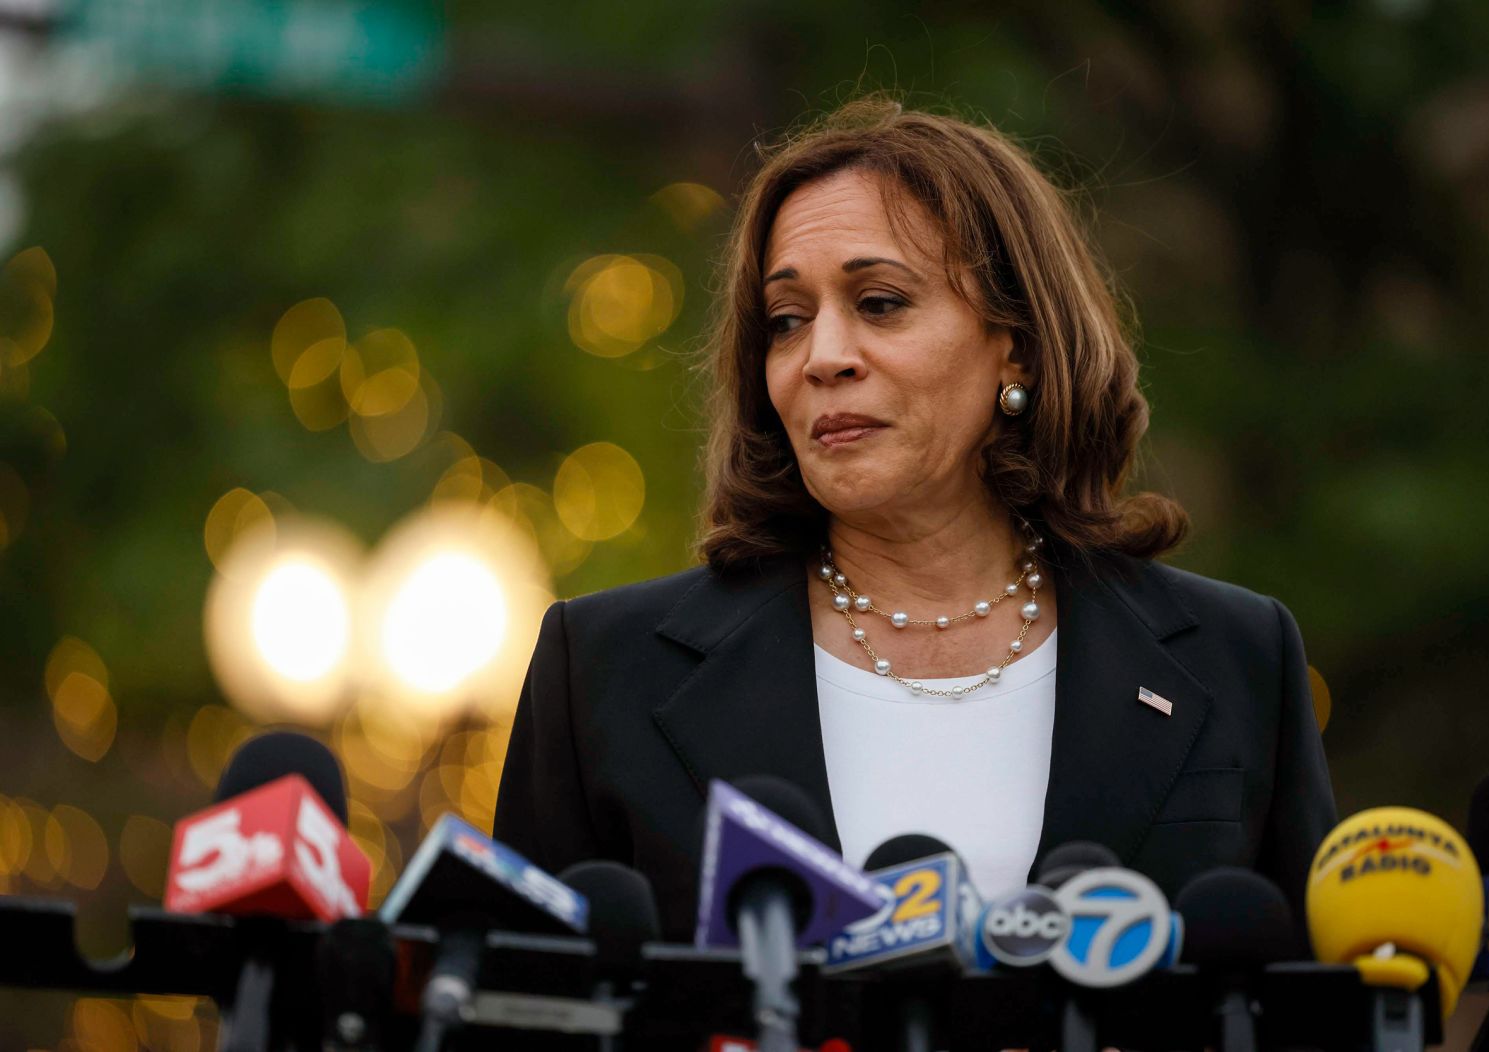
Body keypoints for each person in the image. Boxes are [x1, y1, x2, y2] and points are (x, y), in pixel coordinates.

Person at [494, 97, 1335, 939]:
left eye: (882, 303)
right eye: (788, 322)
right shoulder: (604, 671)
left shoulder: (1237, 659)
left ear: (1020, 344)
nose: (824, 357)